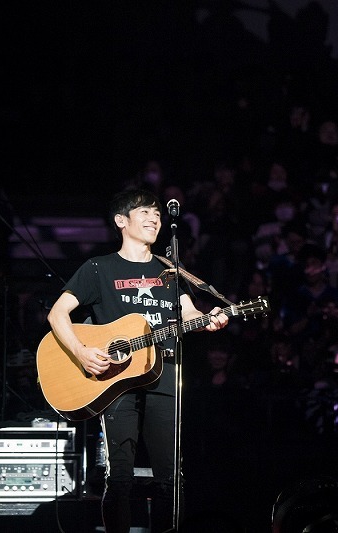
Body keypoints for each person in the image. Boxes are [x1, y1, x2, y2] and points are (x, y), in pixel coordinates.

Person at [46, 188, 230, 533]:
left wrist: (212, 318)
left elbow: (190, 312)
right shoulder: (98, 268)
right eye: (144, 212)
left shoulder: (172, 271)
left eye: (158, 214)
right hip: (116, 381)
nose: (154, 219)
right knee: (119, 477)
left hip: (165, 374)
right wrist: (82, 352)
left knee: (170, 478)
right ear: (121, 221)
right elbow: (58, 315)